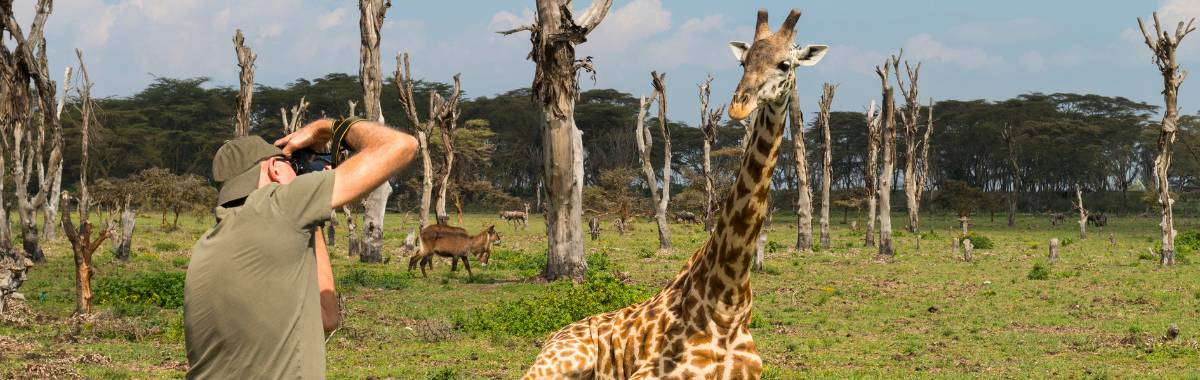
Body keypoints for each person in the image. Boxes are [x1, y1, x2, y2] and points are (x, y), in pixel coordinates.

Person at [184, 118, 417, 379]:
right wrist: (325, 127)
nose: (298, 174)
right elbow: (401, 145)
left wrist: (313, 217)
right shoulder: (277, 206)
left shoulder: (208, 244)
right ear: (274, 168)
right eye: (292, 165)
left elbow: (327, 318)